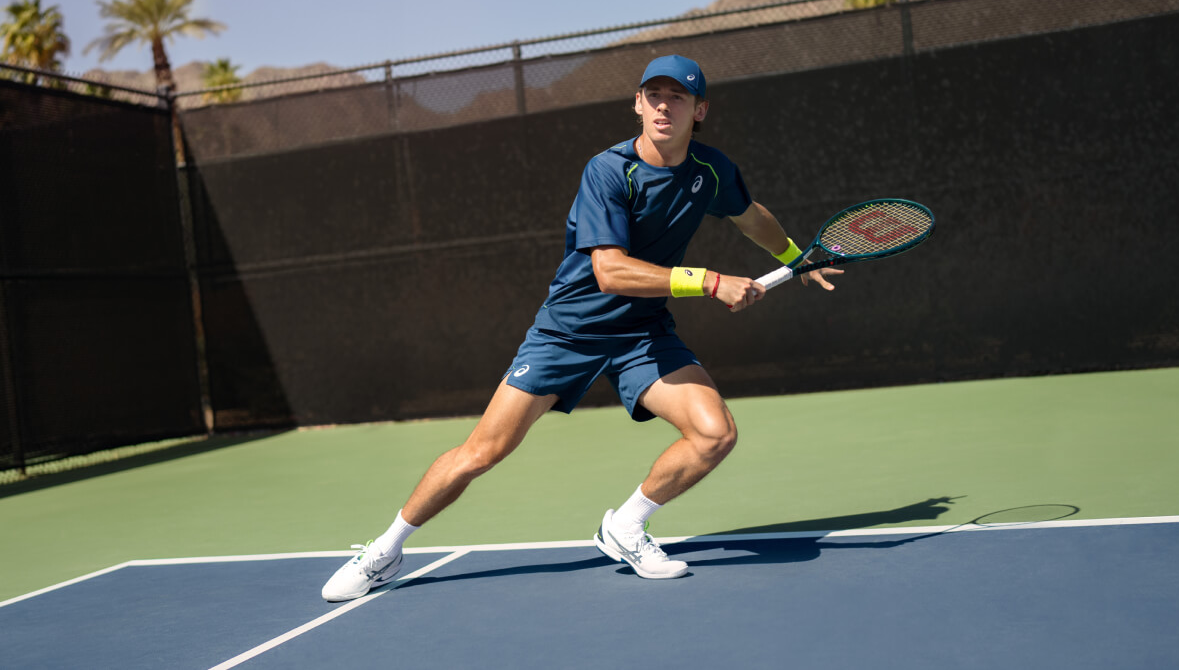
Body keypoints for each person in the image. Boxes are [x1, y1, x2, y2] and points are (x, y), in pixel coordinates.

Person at [321, 54, 842, 601]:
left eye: (678, 97)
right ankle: (386, 548)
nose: (664, 106)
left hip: (642, 334)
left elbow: (749, 213)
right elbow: (609, 270)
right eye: (654, 96)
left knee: (715, 433)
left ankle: (626, 525)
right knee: (483, 451)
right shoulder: (609, 171)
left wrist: (795, 257)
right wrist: (710, 281)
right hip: (566, 333)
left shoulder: (711, 171)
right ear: (637, 104)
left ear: (700, 109)